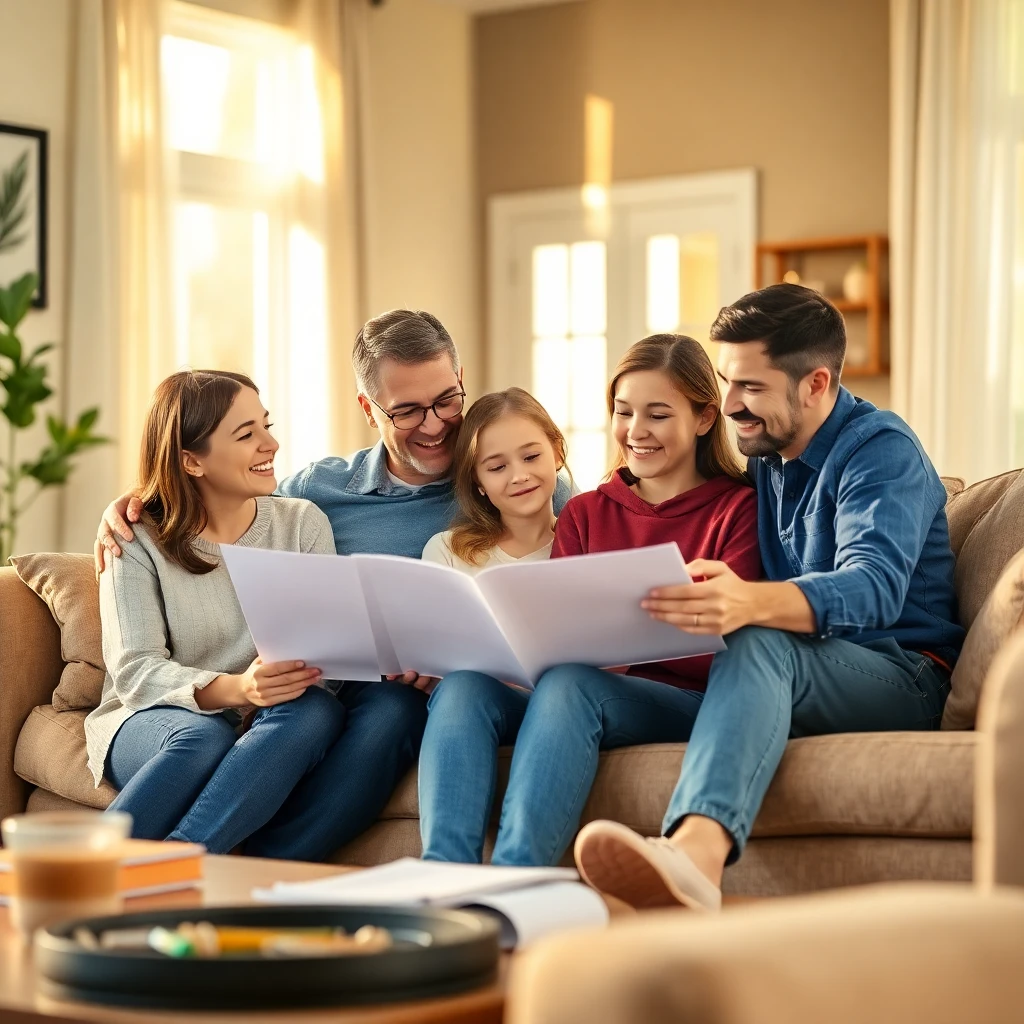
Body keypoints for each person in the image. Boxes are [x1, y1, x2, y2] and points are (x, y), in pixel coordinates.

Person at [94, 310, 571, 861]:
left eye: (447, 400)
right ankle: (149, 865)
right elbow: (219, 499)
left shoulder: (522, 479)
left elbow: (584, 549)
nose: (436, 424)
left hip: (408, 692)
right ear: (370, 409)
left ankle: (262, 869)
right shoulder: (318, 494)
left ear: (462, 380)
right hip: (310, 684)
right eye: (408, 410)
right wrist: (136, 501)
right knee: (304, 713)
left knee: (381, 710)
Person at [574, 284, 965, 912]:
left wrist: (750, 602)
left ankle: (695, 859)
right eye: (727, 383)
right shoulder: (769, 457)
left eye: (749, 388)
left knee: (756, 634)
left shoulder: (880, 451)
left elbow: (876, 587)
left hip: (902, 674)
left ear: (814, 384)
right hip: (801, 671)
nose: (729, 406)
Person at [418, 334, 760, 867]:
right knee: (464, 688)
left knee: (569, 683)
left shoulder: (737, 510)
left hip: (687, 701)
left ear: (704, 418)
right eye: (623, 412)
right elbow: (557, 639)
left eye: (658, 414)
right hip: (576, 689)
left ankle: (516, 878)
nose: (636, 431)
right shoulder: (586, 513)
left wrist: (632, 631)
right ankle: (443, 876)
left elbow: (736, 646)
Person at [88, 370, 347, 855]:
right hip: (152, 718)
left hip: (272, 716)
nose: (270, 443)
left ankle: (178, 861)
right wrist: (238, 690)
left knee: (315, 710)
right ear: (191, 460)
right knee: (202, 736)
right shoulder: (136, 535)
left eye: (265, 425)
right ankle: (84, 868)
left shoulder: (302, 524)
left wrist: (278, 686)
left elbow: (326, 658)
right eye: (246, 434)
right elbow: (135, 671)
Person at [421, 387, 566, 574]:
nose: (519, 476)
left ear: (558, 453)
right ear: (478, 480)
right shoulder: (447, 553)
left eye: (531, 457)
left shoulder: (588, 548)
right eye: (497, 467)